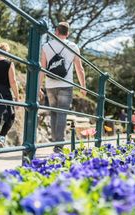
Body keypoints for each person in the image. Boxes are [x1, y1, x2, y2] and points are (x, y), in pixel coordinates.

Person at [39, 22, 86, 153]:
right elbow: (79, 68)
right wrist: (83, 86)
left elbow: (42, 68)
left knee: (54, 112)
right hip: (66, 84)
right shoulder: (73, 46)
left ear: (56, 31)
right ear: (68, 33)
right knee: (62, 113)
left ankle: (56, 141)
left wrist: (38, 87)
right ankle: (59, 145)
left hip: (50, 85)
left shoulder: (46, 46)